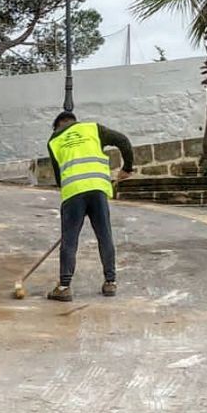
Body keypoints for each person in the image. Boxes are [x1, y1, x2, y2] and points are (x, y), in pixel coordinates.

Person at [46, 111, 134, 302]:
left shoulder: (54, 140)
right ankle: (110, 282)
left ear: (58, 125)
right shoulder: (94, 129)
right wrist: (127, 168)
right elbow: (124, 141)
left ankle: (64, 287)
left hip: (73, 191)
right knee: (104, 235)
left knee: (69, 240)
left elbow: (59, 175)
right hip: (97, 188)